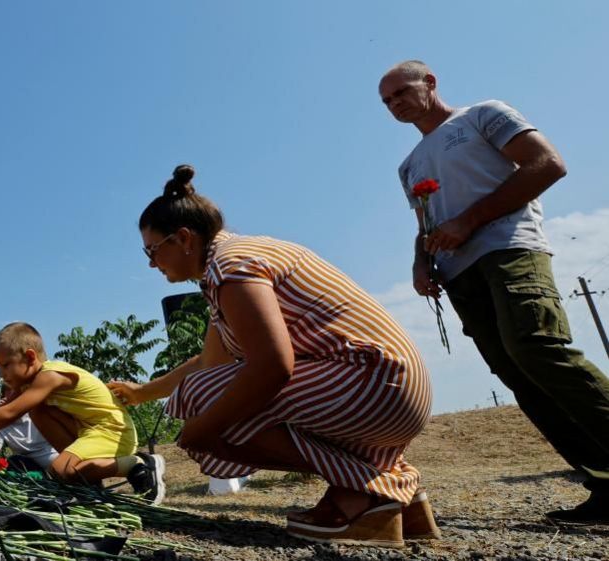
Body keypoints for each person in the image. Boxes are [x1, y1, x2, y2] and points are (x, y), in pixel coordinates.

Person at [107, 165, 435, 547]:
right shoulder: (232, 262)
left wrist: (203, 428)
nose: (150, 263)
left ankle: (366, 496)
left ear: (183, 239)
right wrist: (143, 392)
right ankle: (401, 497)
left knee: (203, 403)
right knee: (205, 394)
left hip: (374, 384)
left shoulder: (231, 267)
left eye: (152, 250)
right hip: (393, 384)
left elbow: (273, 366)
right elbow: (210, 363)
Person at [379, 60, 609, 524]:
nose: (395, 104)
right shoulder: (408, 166)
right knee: (517, 373)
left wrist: (467, 221)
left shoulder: (483, 115)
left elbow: (547, 164)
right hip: (459, 273)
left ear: (430, 82)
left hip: (509, 249)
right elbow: (424, 224)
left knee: (536, 347)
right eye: (387, 102)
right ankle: (603, 480)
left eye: (401, 92)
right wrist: (421, 263)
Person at [0, 322, 166, 504]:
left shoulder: (50, 375)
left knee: (60, 470)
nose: (1, 374)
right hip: (89, 431)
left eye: (5, 365)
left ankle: (136, 464)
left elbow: (10, 413)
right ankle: (87, 484)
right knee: (38, 411)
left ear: (30, 357)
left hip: (112, 432)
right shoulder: (29, 384)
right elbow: (0, 410)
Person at [0, 385, 59, 473]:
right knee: (14, 461)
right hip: (24, 465)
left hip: (54, 460)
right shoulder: (2, 422)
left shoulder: (40, 410)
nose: (13, 394)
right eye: (8, 390)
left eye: (17, 390)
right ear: (3, 396)